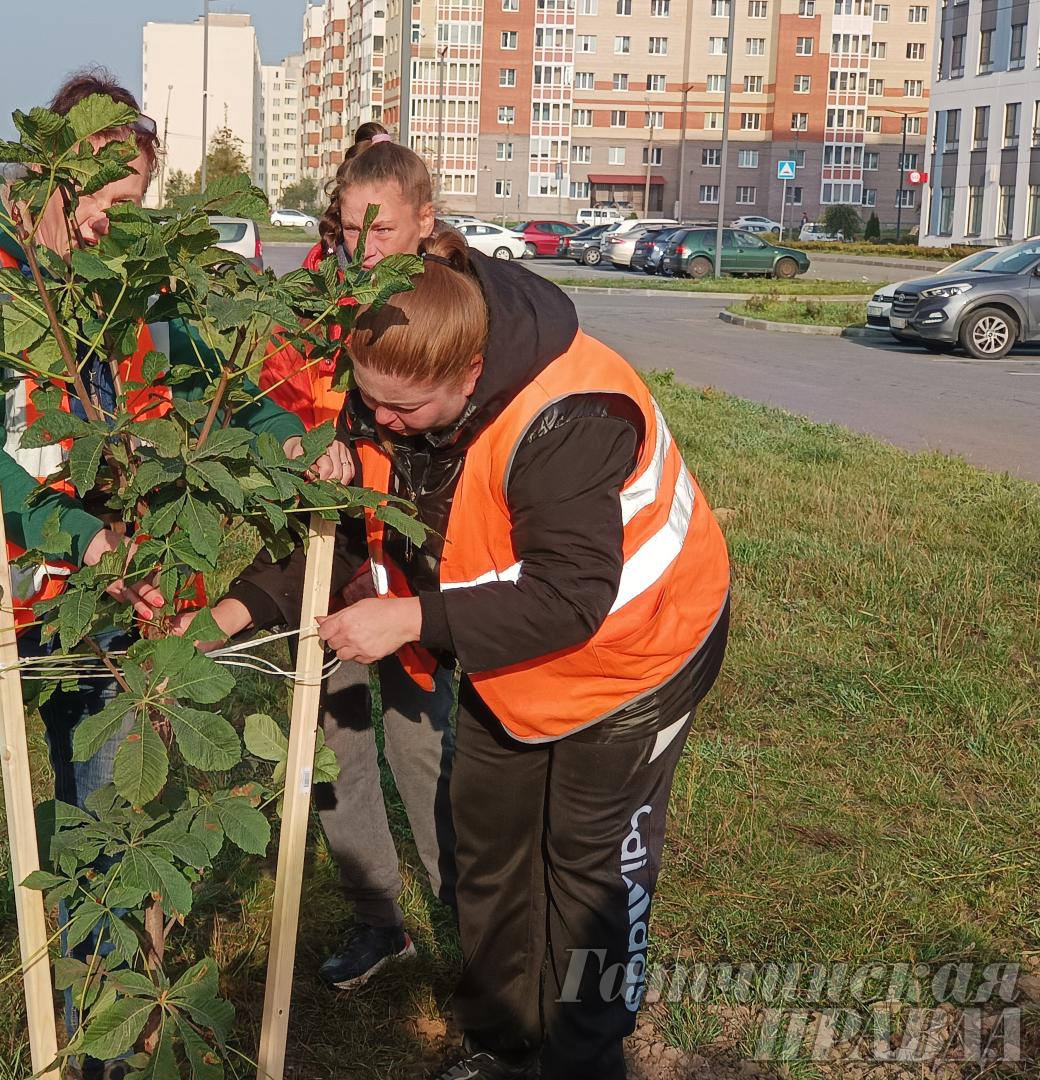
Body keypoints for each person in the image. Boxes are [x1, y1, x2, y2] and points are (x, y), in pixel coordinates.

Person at [0, 70, 313, 1079]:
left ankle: (90, 1058)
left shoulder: (133, 293)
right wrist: (81, 533)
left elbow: (223, 389)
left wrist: (296, 446)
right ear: (47, 177)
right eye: (105, 197)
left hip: (101, 622)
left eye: (133, 203)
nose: (116, 221)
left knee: (100, 845)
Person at [210, 230, 731, 1078]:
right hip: (507, 647)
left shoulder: (572, 415)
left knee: (590, 871)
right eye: (369, 404)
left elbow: (568, 596)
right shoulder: (394, 383)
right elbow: (350, 527)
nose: (379, 422)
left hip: (639, 654)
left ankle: (584, 1057)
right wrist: (229, 613)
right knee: (487, 849)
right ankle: (500, 1045)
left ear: (469, 371)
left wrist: (411, 617)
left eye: (401, 412)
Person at [249, 126, 458, 990]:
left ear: (423, 223)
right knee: (334, 737)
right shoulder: (311, 301)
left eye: (381, 229)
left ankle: (471, 927)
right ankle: (380, 920)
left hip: (411, 559)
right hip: (321, 550)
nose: (361, 248)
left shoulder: (449, 299)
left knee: (424, 745)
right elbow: (272, 398)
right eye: (348, 230)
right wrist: (305, 445)